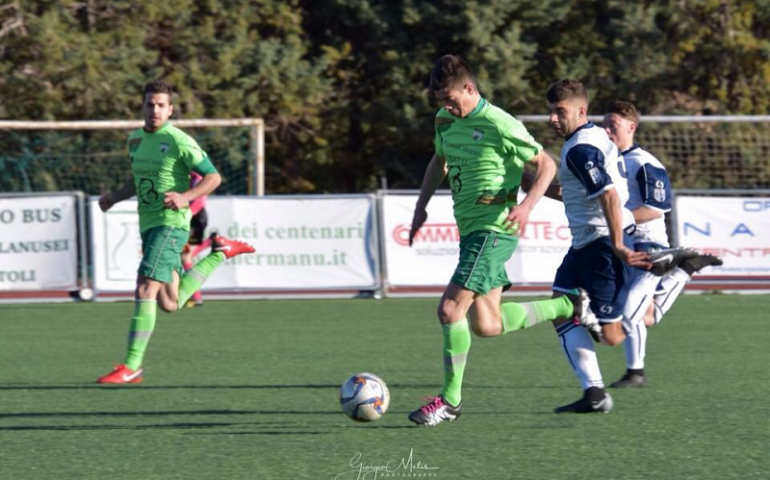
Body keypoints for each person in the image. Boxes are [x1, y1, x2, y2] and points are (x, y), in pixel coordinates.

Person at [496, 80, 695, 414]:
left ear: (581, 110)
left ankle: (672, 274)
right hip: (586, 246)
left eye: (560, 112)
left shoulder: (579, 149)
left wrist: (617, 243)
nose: (552, 119)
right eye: (550, 112)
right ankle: (594, 393)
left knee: (613, 334)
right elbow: (573, 193)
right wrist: (527, 182)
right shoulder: (592, 139)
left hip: (601, 247)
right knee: (560, 310)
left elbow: (608, 195)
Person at [406, 54, 560, 427]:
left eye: (451, 98)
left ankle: (450, 402)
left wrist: (526, 206)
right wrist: (421, 207)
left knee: (449, 310)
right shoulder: (444, 120)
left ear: (470, 89)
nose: (446, 106)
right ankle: (569, 306)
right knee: (487, 325)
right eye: (441, 100)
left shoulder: (498, 122)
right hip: (471, 230)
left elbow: (546, 165)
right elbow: (438, 161)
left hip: (494, 229)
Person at [96, 79, 255, 384]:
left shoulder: (180, 141)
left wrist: (185, 197)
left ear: (170, 110)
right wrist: (114, 198)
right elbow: (136, 179)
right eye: (149, 104)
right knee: (169, 303)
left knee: (144, 286)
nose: (154, 110)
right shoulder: (135, 141)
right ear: (142, 107)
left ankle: (132, 366)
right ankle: (220, 253)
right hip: (149, 224)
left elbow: (213, 177)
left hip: (172, 225)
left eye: (160, 105)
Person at [603, 100, 723, 388]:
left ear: (631, 127)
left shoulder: (645, 162)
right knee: (646, 315)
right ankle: (687, 269)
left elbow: (656, 209)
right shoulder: (606, 162)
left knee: (630, 308)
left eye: (613, 126)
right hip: (622, 244)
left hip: (649, 246)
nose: (606, 131)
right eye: (604, 125)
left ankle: (636, 372)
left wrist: (622, 220)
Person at [181, 171, 211, 308]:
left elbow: (199, 201)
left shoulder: (198, 178)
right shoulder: (189, 177)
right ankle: (196, 296)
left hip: (196, 218)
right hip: (192, 217)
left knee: (186, 256)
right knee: (185, 256)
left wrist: (186, 216)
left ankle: (196, 297)